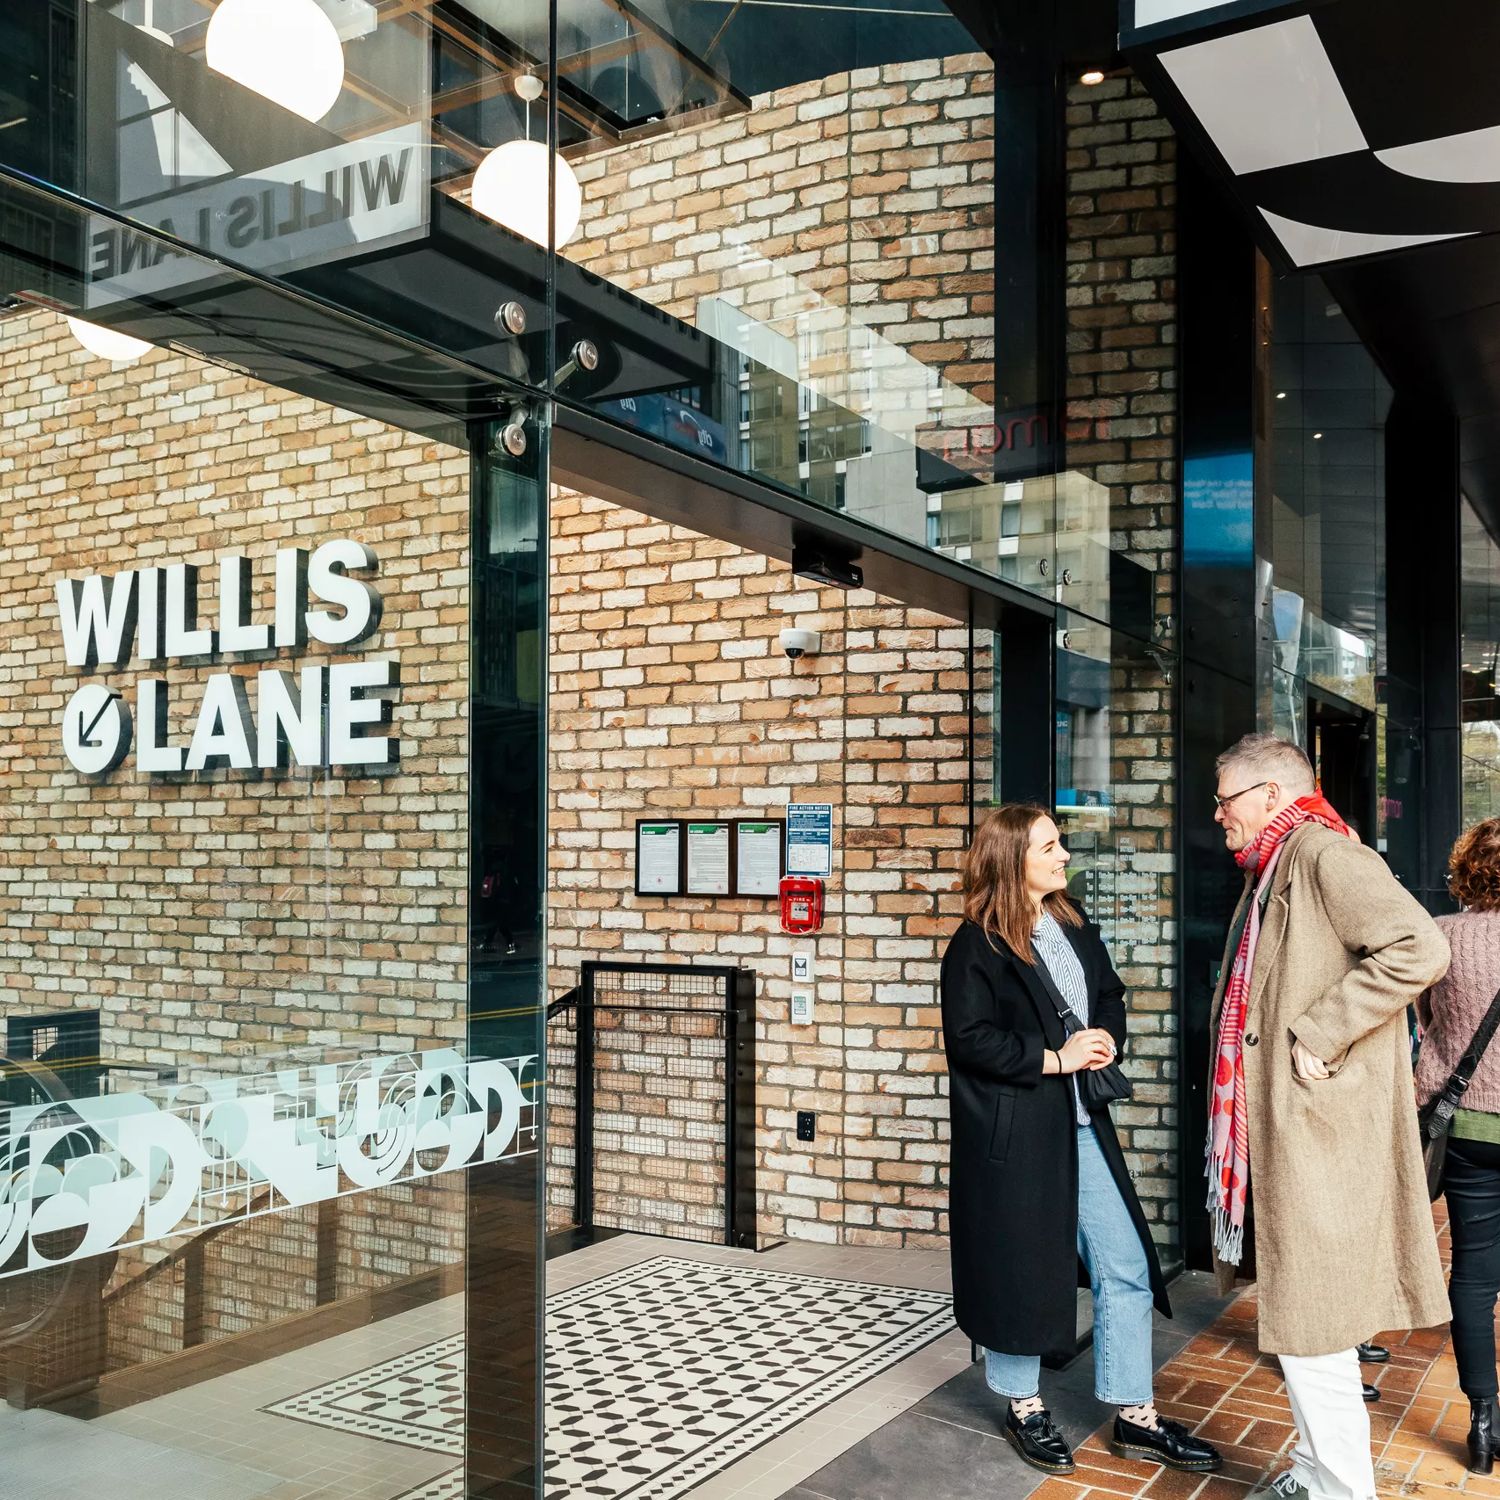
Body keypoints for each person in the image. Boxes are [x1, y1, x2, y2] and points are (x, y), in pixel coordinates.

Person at [941, 804, 1222, 1476]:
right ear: (1012, 859)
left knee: (1124, 1263)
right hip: (1015, 1137)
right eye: (1050, 846)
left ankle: (1136, 1415)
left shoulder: (1070, 922)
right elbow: (970, 1039)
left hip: (1081, 1125)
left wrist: (1104, 1038)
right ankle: (1024, 1406)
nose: (1064, 855)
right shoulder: (974, 944)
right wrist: (1056, 1059)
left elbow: (1109, 993)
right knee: (1021, 1269)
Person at [1206, 735, 1450, 1500]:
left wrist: (1322, 1029)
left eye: (1225, 800)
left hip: (1317, 1135)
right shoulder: (1278, 864)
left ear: (1272, 795)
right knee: (1309, 1325)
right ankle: (1315, 1474)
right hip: (1295, 1133)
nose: (1217, 817)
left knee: (1312, 1327)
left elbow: (1421, 946)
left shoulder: (1323, 856)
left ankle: (1341, 1490)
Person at [1414, 818, 1500, 1472]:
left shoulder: (1440, 937)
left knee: (1474, 1274)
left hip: (1466, 1128)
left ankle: (1483, 1421)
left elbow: (1428, 1026)